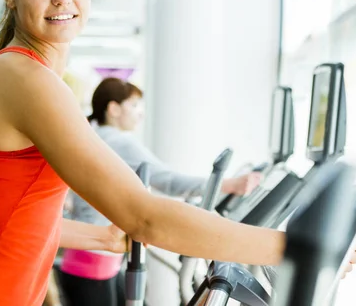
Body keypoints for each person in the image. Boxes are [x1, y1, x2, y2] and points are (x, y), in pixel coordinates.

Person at [0, 0, 356, 306]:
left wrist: (102, 237)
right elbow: (143, 215)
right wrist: (295, 248)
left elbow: (9, 221)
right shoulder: (25, 78)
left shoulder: (25, 75)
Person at [59, 77, 263, 306]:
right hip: (94, 264)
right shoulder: (117, 140)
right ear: (113, 108)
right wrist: (230, 184)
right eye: (134, 105)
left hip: (87, 261)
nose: (140, 113)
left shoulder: (96, 136)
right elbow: (169, 181)